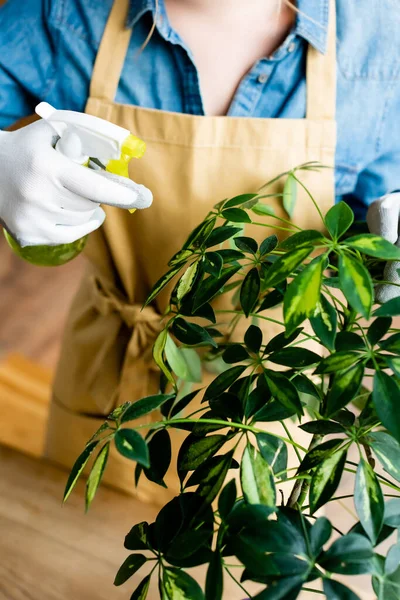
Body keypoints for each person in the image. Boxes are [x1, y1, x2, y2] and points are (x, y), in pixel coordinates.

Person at [1, 0, 400, 503]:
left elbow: (376, 206)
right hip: (112, 366)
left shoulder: (383, 38)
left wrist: (384, 242)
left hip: (268, 399)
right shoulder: (66, 15)